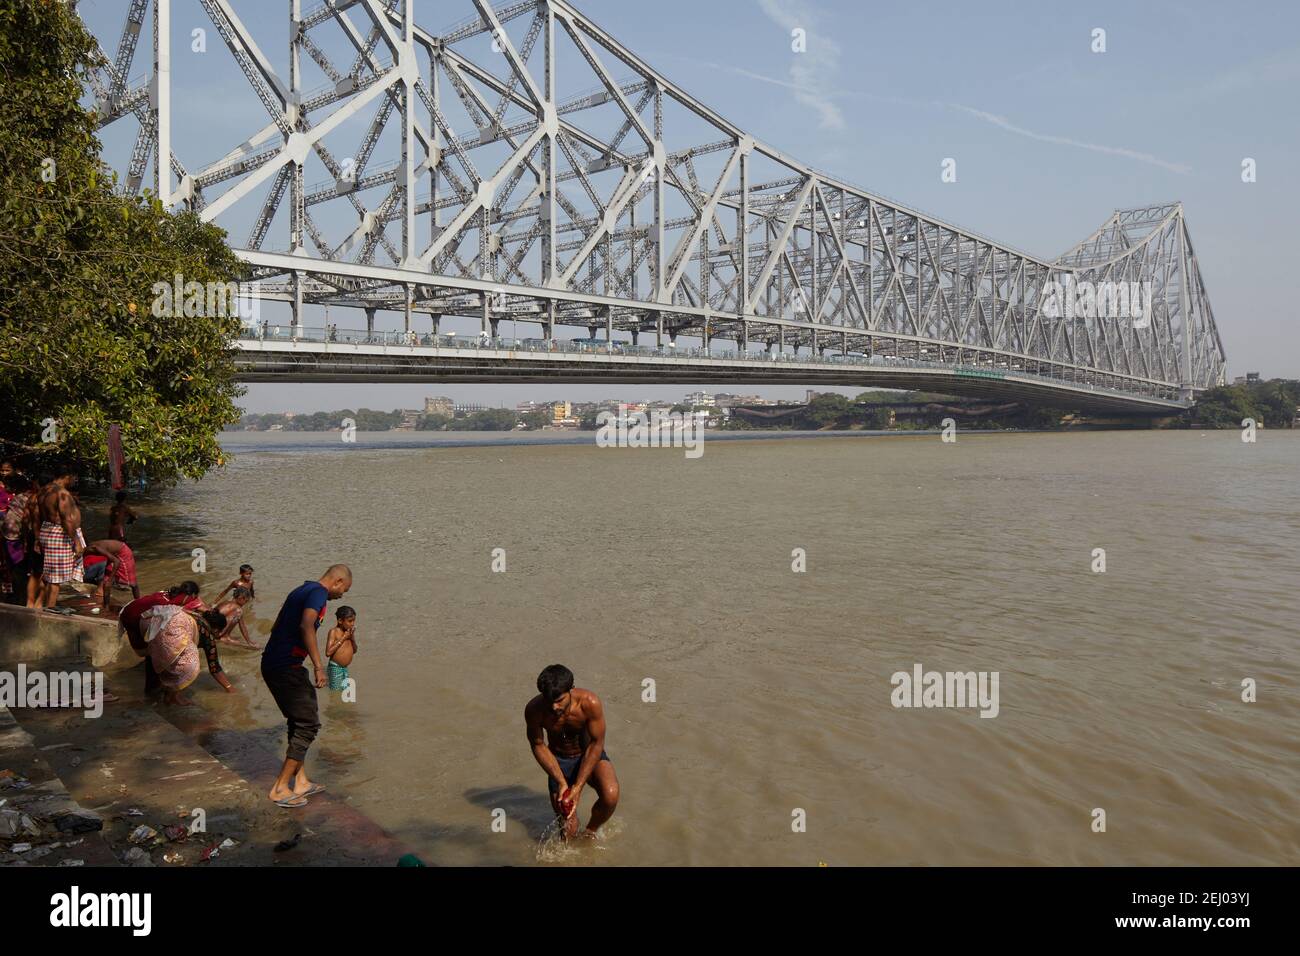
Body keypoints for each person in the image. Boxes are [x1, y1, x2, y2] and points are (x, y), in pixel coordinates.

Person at [261, 565, 352, 808]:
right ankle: (280, 788)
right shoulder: (318, 593)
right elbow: (306, 625)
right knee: (308, 724)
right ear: (338, 581)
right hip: (286, 666)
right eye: (344, 589)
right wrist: (318, 665)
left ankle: (300, 781)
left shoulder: (300, 590)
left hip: (275, 662)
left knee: (298, 719)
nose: (342, 595)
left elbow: (278, 623)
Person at [524, 664, 620, 840]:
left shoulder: (589, 703)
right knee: (568, 829)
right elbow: (537, 745)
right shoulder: (534, 710)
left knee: (611, 795)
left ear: (571, 689)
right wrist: (562, 782)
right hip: (559, 760)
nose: (554, 707)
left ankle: (590, 832)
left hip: (588, 753)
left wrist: (577, 786)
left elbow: (596, 743)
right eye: (549, 701)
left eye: (559, 700)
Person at [139, 603, 230, 706]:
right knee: (190, 665)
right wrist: (229, 688)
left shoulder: (196, 615)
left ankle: (151, 694)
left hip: (152, 624)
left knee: (156, 655)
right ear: (216, 629)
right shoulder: (208, 635)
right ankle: (173, 696)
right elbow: (214, 668)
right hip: (169, 635)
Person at [119, 583, 202, 694]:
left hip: (129, 611)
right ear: (191, 595)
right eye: (194, 598)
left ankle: (153, 685)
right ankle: (153, 688)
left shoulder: (167, 593)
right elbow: (163, 614)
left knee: (152, 650)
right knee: (153, 651)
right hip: (133, 619)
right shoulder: (170, 603)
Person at [36, 470, 84, 609]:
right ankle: (50, 610)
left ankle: (41, 605)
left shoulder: (44, 490)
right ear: (67, 476)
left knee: (48, 575)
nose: (75, 480)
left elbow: (38, 516)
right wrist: (77, 542)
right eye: (74, 477)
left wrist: (38, 538)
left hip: (48, 530)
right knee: (55, 578)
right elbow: (67, 519)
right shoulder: (61, 493)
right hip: (59, 534)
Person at [83, 539, 140, 611]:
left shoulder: (95, 549)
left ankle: (139, 603)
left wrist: (110, 579)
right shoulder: (88, 548)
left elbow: (117, 561)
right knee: (105, 582)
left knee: (131, 583)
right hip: (113, 555)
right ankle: (106, 607)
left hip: (123, 554)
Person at [0, 474, 31, 605]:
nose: (4, 487)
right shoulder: (18, 498)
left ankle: (21, 598)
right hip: (10, 539)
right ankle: (17, 596)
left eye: (7, 485)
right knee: (13, 569)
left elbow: (26, 522)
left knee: (18, 570)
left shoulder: (23, 499)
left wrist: (25, 540)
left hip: (16, 540)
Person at [324, 606, 357, 691]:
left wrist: (352, 638)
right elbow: (328, 652)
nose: (352, 624)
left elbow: (355, 650)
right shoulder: (334, 632)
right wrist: (343, 638)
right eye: (350, 621)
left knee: (345, 693)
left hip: (344, 668)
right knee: (335, 693)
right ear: (340, 621)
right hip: (335, 667)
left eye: (353, 621)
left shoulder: (349, 632)